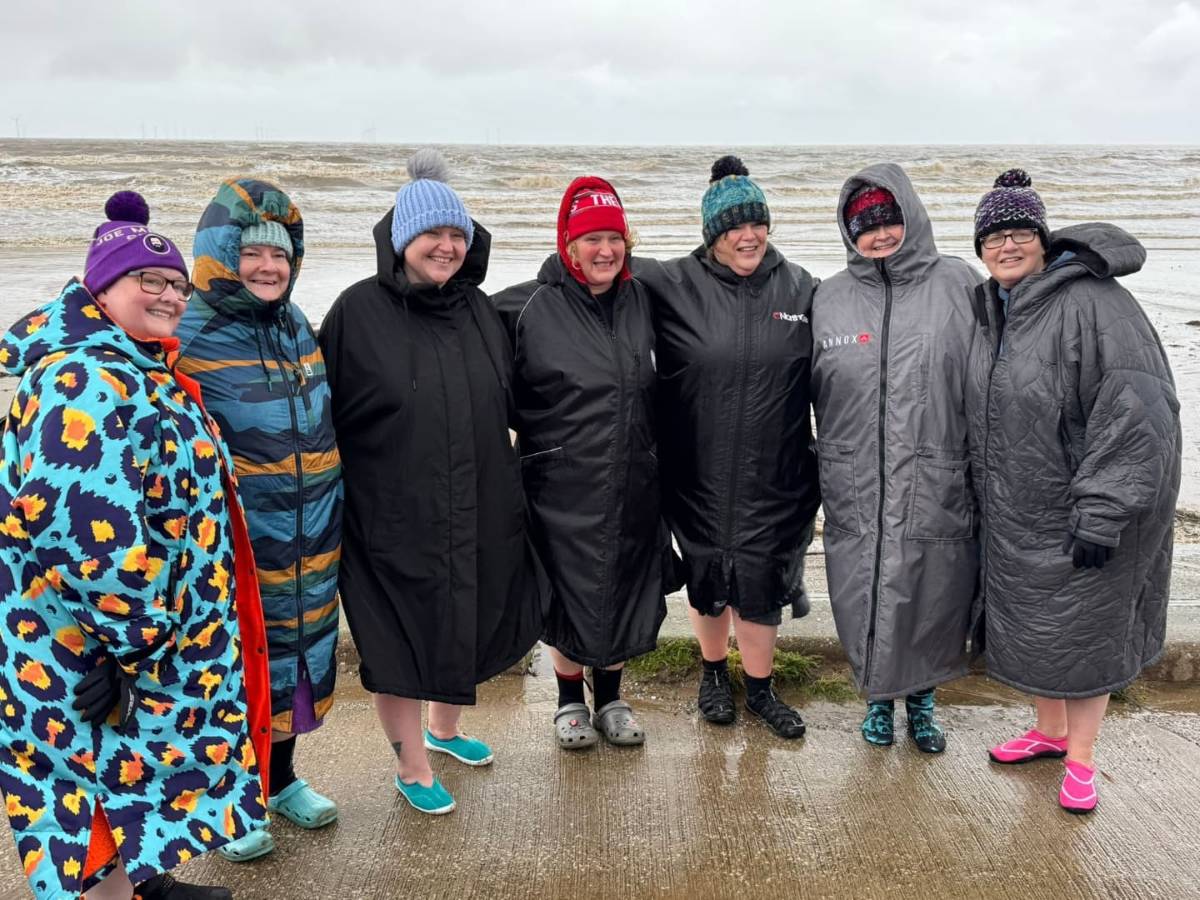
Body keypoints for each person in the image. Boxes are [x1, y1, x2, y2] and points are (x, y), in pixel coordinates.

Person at [0, 192, 271, 899]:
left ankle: (142, 877)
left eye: (178, 284)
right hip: (86, 643)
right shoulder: (81, 379)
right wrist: (137, 647)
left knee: (128, 765)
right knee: (85, 787)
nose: (171, 296)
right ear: (101, 288)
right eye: (149, 281)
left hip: (124, 635)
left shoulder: (139, 367)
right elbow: (82, 532)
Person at [318, 151, 547, 814]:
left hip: (477, 498)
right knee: (401, 640)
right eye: (432, 235)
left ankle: (445, 732)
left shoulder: (478, 309)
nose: (446, 247)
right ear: (400, 240)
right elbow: (318, 415)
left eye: (457, 235)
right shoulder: (357, 311)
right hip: (391, 513)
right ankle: (412, 765)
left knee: (469, 618)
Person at [965, 169, 1180, 813]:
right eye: (992, 237)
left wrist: (1103, 510)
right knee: (1041, 628)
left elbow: (1138, 412)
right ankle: (1049, 733)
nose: (1006, 247)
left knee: (1086, 633)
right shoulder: (997, 306)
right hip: (1019, 509)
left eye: (1018, 233)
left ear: (1042, 237)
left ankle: (1082, 763)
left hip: (1084, 511)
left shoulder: (1094, 302)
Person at [173, 178, 342, 861]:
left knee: (297, 667)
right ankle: (228, 801)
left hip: (312, 532)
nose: (270, 267)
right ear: (221, 254)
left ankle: (281, 780)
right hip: (237, 545)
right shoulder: (187, 330)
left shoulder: (297, 323)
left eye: (281, 255)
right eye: (252, 254)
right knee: (233, 669)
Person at [634, 155, 820, 739]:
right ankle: (713, 673)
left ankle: (762, 689)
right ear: (712, 235)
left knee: (762, 581)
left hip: (778, 470)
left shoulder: (802, 287)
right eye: (735, 227)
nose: (749, 236)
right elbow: (597, 272)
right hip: (697, 469)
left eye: (758, 224)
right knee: (708, 576)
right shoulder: (671, 284)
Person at [493, 177, 670, 750]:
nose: (605, 250)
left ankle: (612, 696)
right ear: (568, 245)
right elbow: (471, 363)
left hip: (633, 475)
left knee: (620, 584)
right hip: (558, 481)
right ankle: (570, 701)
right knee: (566, 592)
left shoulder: (645, 297)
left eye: (614, 238)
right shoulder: (527, 307)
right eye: (591, 238)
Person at [811, 164, 982, 753]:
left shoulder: (960, 283)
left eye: (889, 221)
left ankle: (925, 703)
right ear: (848, 232)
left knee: (931, 590)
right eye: (865, 227)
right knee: (863, 588)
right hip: (855, 474)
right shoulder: (830, 297)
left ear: (910, 218)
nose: (879, 236)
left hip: (934, 468)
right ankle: (878, 702)